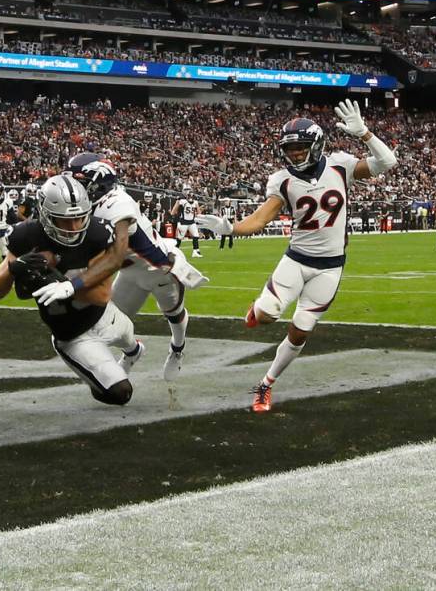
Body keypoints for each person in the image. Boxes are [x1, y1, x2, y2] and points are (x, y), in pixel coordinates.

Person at [197, 100, 398, 413]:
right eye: (289, 149)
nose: (294, 154)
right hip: (296, 259)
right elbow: (261, 220)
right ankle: (258, 310)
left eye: (301, 147)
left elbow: (387, 162)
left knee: (301, 329)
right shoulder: (282, 180)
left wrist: (366, 134)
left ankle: (266, 384)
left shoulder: (340, 165)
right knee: (265, 317)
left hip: (330, 268)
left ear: (316, 145)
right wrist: (231, 228)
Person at [0, 175, 142, 406]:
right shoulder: (28, 236)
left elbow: (101, 296)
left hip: (105, 315)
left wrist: (60, 280)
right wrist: (14, 268)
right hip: (73, 336)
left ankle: (133, 351)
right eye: (64, 221)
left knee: (130, 341)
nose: (74, 227)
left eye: (79, 219)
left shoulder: (96, 235)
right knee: (119, 393)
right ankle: (97, 376)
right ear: (46, 215)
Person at [66, 153, 208, 395]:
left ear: (98, 182)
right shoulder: (90, 204)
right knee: (111, 325)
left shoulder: (117, 204)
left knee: (173, 313)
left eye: (80, 181)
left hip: (159, 269)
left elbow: (120, 252)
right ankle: (133, 352)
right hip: (131, 273)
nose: (75, 187)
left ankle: (177, 347)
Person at [171, 185, 202, 257]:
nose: (189, 193)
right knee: (179, 238)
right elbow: (173, 212)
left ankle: (195, 251)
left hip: (191, 221)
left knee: (196, 235)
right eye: (186, 190)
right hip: (183, 222)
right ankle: (174, 251)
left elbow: (198, 213)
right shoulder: (181, 201)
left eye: (189, 190)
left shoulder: (195, 202)